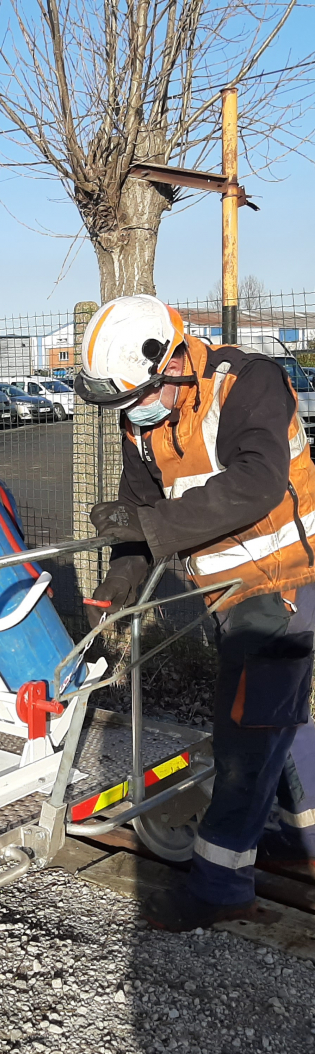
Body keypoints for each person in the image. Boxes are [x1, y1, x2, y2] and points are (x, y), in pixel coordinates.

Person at [75, 293, 315, 932]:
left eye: (140, 398)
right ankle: (301, 837)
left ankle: (218, 886)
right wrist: (123, 579)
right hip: (223, 591)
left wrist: (148, 528)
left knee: (244, 738)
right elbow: (140, 498)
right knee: (275, 719)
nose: (135, 415)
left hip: (284, 582)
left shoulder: (250, 384)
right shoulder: (144, 413)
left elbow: (257, 482)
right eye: (125, 406)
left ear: (173, 359)